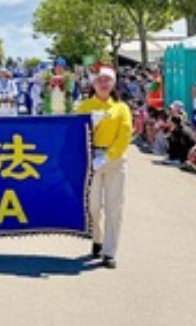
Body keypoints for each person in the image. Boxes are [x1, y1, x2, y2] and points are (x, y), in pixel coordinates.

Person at [76, 66, 132, 269]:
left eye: (108, 80)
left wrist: (109, 155)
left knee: (114, 207)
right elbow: (74, 135)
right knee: (92, 206)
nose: (104, 83)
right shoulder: (83, 107)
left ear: (114, 83)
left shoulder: (121, 107)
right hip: (90, 160)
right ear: (93, 83)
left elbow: (125, 134)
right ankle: (97, 238)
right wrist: (91, 125)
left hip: (115, 161)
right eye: (100, 80)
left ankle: (109, 251)